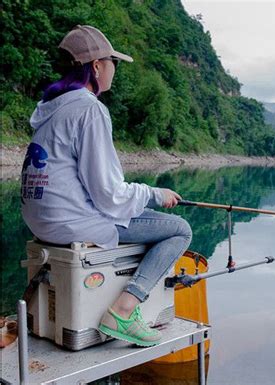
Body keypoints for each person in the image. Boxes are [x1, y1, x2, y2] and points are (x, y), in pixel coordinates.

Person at [20, 25, 192, 347]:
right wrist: (155, 194)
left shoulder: (51, 111)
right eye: (114, 61)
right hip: (70, 223)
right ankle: (123, 310)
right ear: (97, 66)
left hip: (42, 223)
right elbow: (110, 195)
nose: (116, 68)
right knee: (179, 230)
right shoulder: (89, 110)